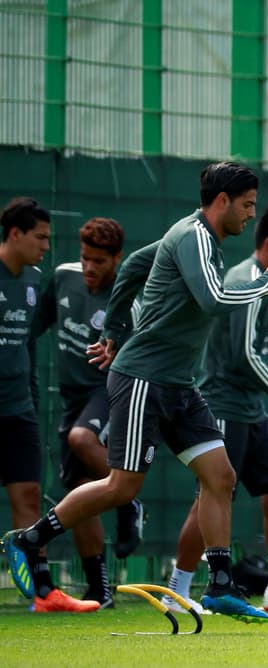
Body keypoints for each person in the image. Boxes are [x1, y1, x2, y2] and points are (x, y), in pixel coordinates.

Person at [5, 164, 268, 621]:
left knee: (221, 477)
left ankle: (220, 586)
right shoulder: (193, 235)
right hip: (144, 378)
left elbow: (131, 269)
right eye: (247, 205)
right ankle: (31, 539)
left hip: (179, 383)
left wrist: (114, 328)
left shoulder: (193, 236)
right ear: (222, 201)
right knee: (122, 486)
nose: (250, 214)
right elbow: (214, 300)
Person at [158, 209, 268, 614]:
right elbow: (245, 356)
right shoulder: (248, 280)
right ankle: (176, 591)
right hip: (224, 405)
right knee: (211, 494)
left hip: (252, 409)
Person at [30, 217, 144, 609]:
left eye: (100, 261)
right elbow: (35, 325)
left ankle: (128, 501)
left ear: (117, 259)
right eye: (86, 258)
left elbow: (139, 357)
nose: (90, 267)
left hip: (110, 392)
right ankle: (99, 589)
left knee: (83, 439)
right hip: (72, 398)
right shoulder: (64, 276)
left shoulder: (127, 299)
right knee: (78, 491)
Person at [0, 197, 96, 613]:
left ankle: (43, 594)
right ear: (15, 233)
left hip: (18, 407)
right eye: (39, 237)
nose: (45, 246)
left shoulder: (35, 279)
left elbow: (26, 343)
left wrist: (31, 395)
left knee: (29, 494)